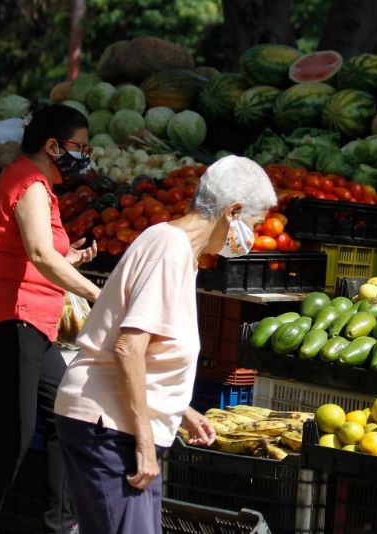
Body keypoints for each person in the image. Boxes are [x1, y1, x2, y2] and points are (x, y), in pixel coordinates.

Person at [53, 155, 277, 534]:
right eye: (253, 224)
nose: (249, 238)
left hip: (113, 423)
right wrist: (143, 442)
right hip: (110, 427)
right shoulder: (169, 251)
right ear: (232, 211)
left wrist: (180, 410)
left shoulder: (176, 251)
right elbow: (128, 348)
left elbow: (148, 350)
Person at [0, 104, 101, 534]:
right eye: (79, 147)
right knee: (13, 434)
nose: (85, 156)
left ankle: (60, 522)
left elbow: (33, 253)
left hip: (33, 322)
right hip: (15, 318)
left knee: (63, 416)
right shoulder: (29, 182)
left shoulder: (32, 183)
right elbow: (37, 253)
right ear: (52, 145)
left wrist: (68, 259)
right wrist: (94, 293)